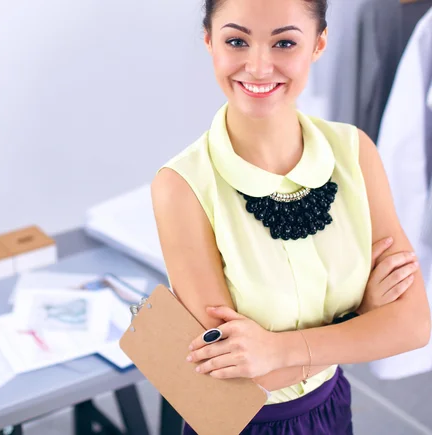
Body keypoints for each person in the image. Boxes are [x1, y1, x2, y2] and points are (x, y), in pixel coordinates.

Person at [150, 0, 432, 433]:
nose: (259, 67)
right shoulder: (180, 187)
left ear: (318, 44)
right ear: (209, 41)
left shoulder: (356, 152)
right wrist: (361, 321)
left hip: (332, 409)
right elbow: (230, 385)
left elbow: (413, 326)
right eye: (236, 41)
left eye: (284, 42)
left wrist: (278, 351)